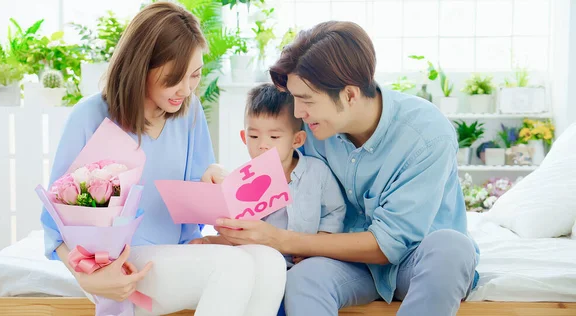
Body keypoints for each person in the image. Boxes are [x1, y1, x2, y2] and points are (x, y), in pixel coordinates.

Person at [211, 21, 480, 316]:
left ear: (350, 95)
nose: (298, 112)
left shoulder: (427, 134)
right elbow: (270, 175)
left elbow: (389, 244)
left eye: (306, 101)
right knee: (304, 279)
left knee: (451, 248)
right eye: (295, 99)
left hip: (415, 263)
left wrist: (282, 239)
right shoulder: (310, 128)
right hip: (349, 266)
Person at [40, 3, 285, 315]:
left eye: (194, 75)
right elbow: (54, 222)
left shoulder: (189, 112)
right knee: (233, 268)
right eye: (173, 78)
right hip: (118, 264)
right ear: (141, 67)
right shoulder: (90, 116)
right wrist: (88, 279)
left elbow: (196, 196)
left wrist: (213, 181)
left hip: (176, 252)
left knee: (270, 262)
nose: (184, 89)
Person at [191, 83, 346, 269]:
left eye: (274, 137)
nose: (263, 145)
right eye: (254, 137)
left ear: (297, 140)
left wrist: (317, 247)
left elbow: (334, 212)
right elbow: (240, 234)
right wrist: (211, 241)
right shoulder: (243, 181)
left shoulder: (317, 172)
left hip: (308, 262)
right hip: (261, 265)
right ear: (244, 137)